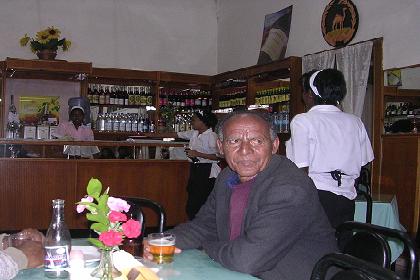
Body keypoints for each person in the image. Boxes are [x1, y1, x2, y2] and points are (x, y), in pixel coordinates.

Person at [158, 110, 337, 280]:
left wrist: (208, 246)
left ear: (274, 146)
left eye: (257, 141)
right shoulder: (228, 176)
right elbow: (204, 225)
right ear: (220, 147)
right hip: (242, 272)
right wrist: (163, 241)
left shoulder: (289, 188)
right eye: (234, 141)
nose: (245, 150)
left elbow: (246, 259)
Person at [286, 69, 374, 238]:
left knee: (313, 249)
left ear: (310, 94)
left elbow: (301, 170)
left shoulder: (302, 121)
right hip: (347, 196)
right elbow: (365, 161)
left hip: (316, 195)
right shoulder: (355, 121)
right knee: (340, 246)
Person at [176, 110, 220, 220]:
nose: (192, 122)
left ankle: (201, 226)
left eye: (194, 119)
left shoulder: (212, 136)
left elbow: (219, 156)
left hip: (207, 170)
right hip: (195, 168)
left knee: (201, 200)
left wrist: (197, 154)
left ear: (202, 121)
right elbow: (176, 134)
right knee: (192, 197)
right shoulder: (194, 133)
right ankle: (193, 223)